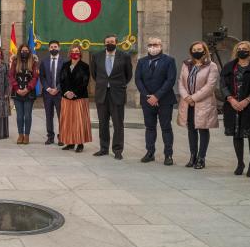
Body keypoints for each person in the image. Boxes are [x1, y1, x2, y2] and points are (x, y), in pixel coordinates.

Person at [220, 41, 250, 177]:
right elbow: (222, 85)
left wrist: (247, 100)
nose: (241, 50)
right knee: (237, 135)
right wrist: (230, 99)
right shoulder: (229, 66)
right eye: (239, 48)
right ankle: (240, 163)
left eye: (244, 49)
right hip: (233, 105)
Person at [134, 37, 177, 165]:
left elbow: (170, 80)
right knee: (150, 127)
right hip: (147, 101)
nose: (153, 47)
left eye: (156, 44)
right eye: (151, 45)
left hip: (164, 100)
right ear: (147, 46)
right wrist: (148, 96)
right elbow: (138, 80)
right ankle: (150, 152)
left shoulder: (169, 61)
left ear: (161, 46)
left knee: (166, 128)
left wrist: (157, 96)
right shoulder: (142, 61)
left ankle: (168, 155)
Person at [177, 41, 219, 170]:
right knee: (191, 129)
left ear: (204, 50)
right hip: (187, 102)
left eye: (199, 49)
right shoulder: (186, 64)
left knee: (203, 129)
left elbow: (210, 86)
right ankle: (192, 156)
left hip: (203, 102)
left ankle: (201, 158)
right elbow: (181, 82)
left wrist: (194, 98)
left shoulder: (211, 66)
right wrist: (186, 97)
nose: (197, 51)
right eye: (194, 49)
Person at [90, 34, 133, 159]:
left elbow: (128, 74)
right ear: (104, 43)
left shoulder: (124, 56)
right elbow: (94, 74)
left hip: (117, 93)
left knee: (118, 124)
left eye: (112, 42)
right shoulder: (97, 56)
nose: (110, 43)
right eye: (107, 42)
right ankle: (103, 148)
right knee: (103, 123)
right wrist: (104, 83)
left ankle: (118, 150)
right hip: (102, 93)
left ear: (116, 43)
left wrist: (118, 84)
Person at [59, 43, 92, 152]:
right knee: (68, 121)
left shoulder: (85, 66)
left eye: (77, 51)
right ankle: (70, 143)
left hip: (80, 97)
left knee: (79, 121)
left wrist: (74, 93)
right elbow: (62, 81)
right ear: (70, 53)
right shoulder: (65, 65)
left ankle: (80, 144)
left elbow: (85, 82)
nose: (75, 53)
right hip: (66, 97)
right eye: (73, 51)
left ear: (80, 53)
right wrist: (66, 92)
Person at [9, 44, 39, 144]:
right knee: (19, 116)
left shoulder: (33, 62)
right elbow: (11, 76)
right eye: (22, 50)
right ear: (19, 51)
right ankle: (20, 135)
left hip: (29, 93)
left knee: (27, 115)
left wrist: (27, 89)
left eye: (26, 51)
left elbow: (35, 77)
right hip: (17, 93)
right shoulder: (15, 62)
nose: (24, 52)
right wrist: (17, 88)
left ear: (29, 52)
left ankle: (27, 136)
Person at [39, 40, 63, 145]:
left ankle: (62, 136)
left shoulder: (64, 61)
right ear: (49, 49)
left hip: (59, 93)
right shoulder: (44, 61)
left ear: (59, 48)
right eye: (52, 47)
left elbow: (65, 77)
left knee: (61, 116)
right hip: (47, 93)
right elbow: (42, 77)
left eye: (55, 47)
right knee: (49, 115)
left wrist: (57, 88)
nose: (54, 48)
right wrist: (48, 88)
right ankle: (50, 136)